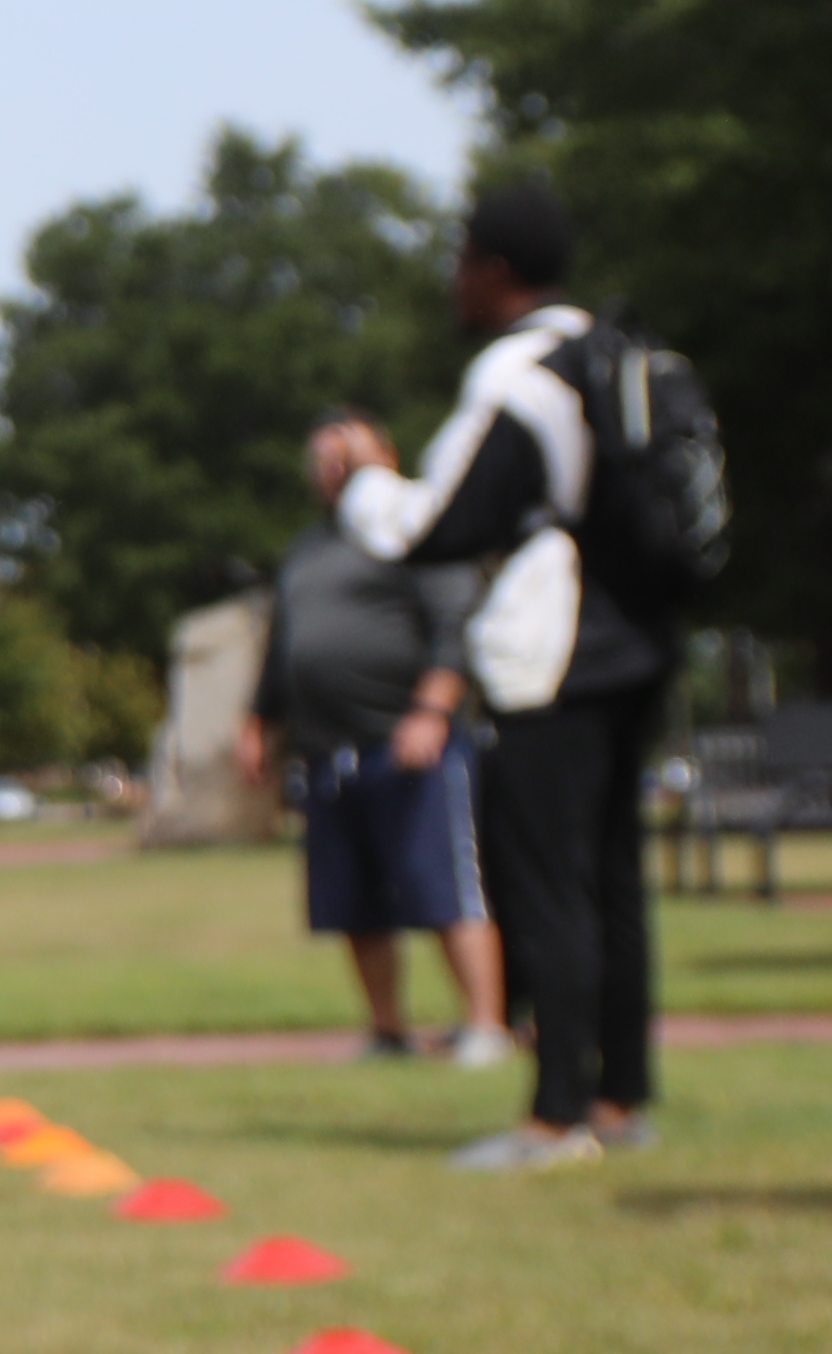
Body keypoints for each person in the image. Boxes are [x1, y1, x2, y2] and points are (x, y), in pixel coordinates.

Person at [335, 179, 666, 1170]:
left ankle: (555, 1113)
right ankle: (621, 1095)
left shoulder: (520, 374)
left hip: (552, 646)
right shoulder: (627, 353)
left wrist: (364, 479)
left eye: (461, 262)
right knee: (611, 875)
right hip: (639, 635)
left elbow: (437, 525)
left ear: (492, 270)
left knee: (542, 879)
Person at [236, 414, 505, 1062]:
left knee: (445, 889)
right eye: (323, 458)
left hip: (409, 743)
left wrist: (432, 710)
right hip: (327, 752)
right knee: (354, 904)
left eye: (347, 455)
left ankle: (485, 1026)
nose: (333, 468)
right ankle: (388, 1032)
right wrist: (259, 722)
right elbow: (283, 647)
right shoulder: (306, 549)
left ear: (384, 456)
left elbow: (453, 623)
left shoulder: (408, 527)